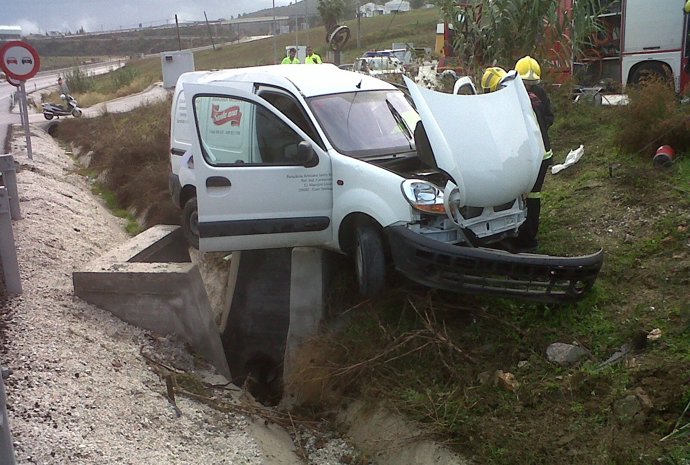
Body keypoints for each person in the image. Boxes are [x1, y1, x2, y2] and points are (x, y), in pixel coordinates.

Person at [514, 55, 554, 252]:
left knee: (530, 195)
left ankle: (527, 239)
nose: (529, 87)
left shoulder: (517, 96)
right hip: (542, 152)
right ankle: (525, 234)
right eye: (526, 84)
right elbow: (549, 118)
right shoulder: (540, 94)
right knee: (529, 194)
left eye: (531, 84)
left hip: (534, 155)